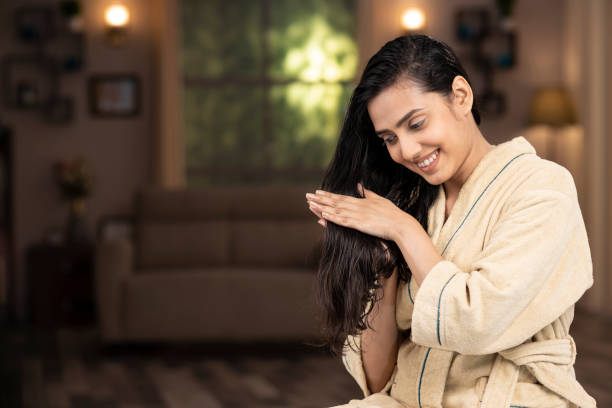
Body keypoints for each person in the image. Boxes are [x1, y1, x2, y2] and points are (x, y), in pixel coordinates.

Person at [305, 34, 596, 408]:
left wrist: (403, 230)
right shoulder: (410, 201)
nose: (406, 151)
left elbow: (477, 321)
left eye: (416, 124)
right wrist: (384, 266)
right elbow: (377, 381)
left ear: (461, 96)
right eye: (389, 138)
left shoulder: (543, 188)